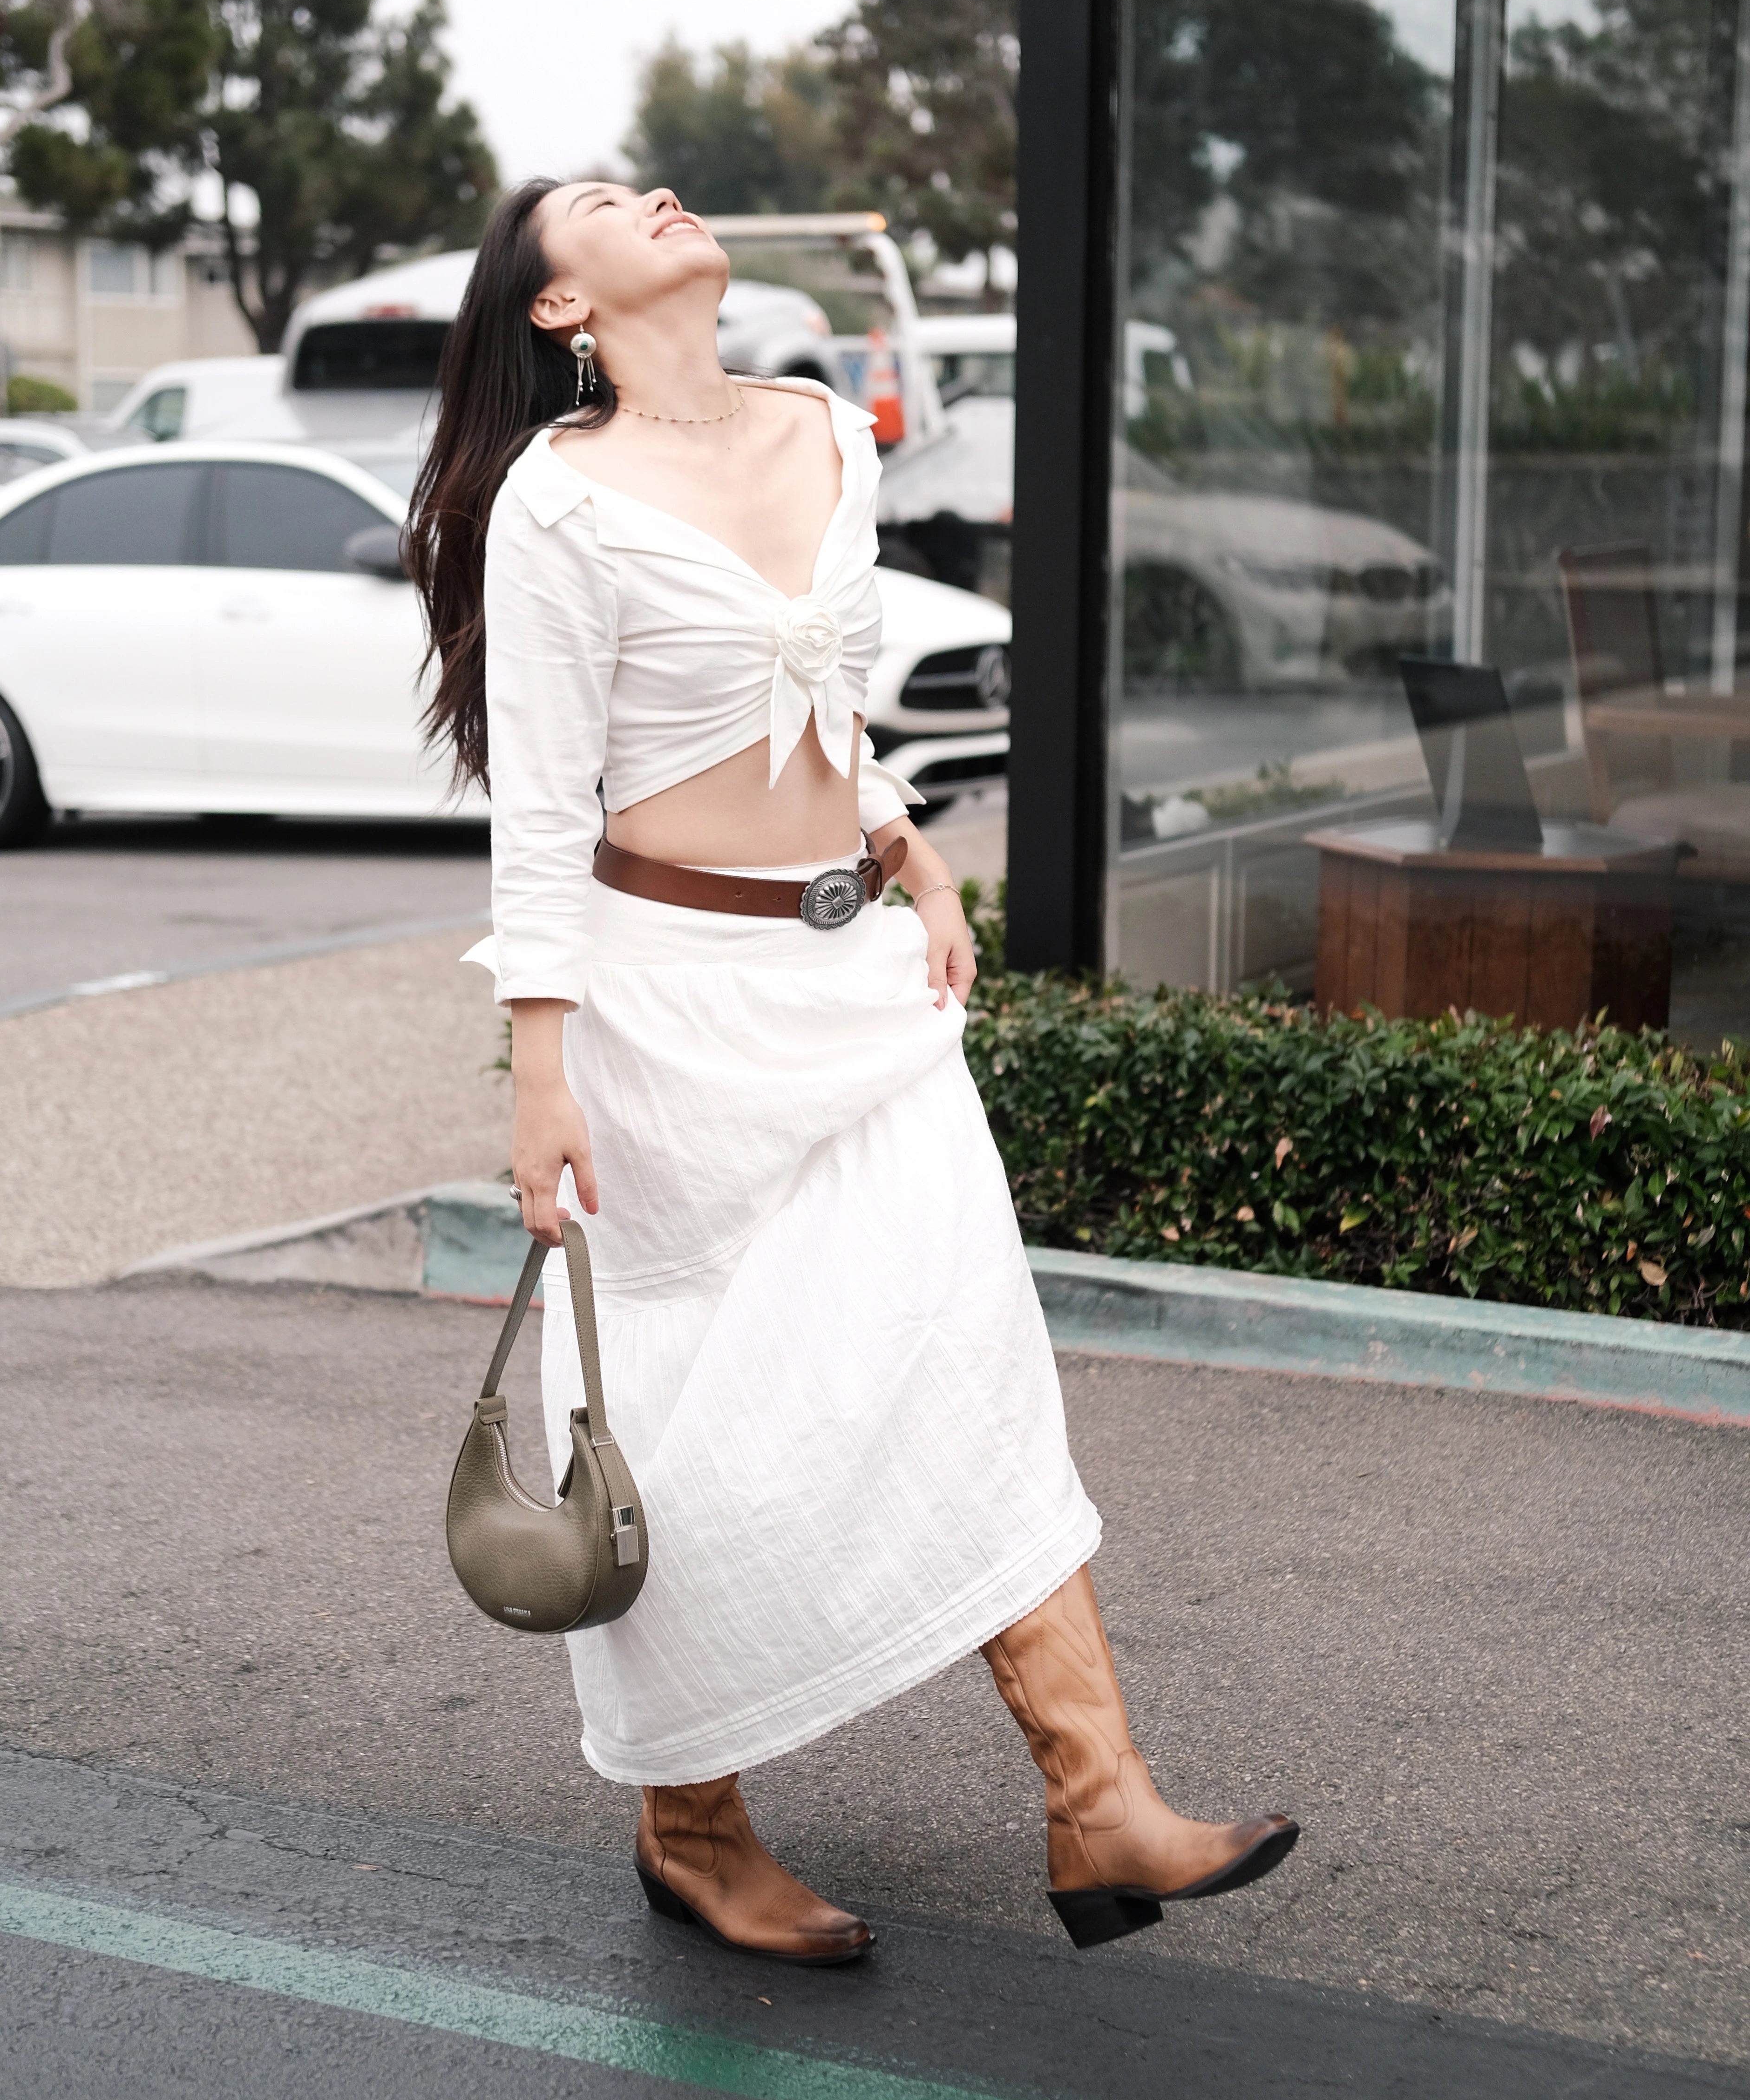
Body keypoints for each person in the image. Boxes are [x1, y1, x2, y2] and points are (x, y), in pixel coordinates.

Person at [409, 177, 1299, 1965]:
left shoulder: (829, 426)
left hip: (858, 982)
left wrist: (903, 842)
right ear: (562, 311)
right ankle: (692, 1822)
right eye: (600, 206)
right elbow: (544, 802)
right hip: (671, 1004)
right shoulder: (553, 502)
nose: (652, 195)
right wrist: (537, 1067)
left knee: (962, 1346)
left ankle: (1098, 1796)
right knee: (692, 1421)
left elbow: (829, 695)